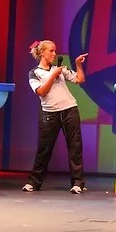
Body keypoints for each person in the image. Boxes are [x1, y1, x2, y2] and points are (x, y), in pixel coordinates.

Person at [22, 40, 89, 194]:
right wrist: (53, 76)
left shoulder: (60, 69)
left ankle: (77, 183)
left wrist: (78, 64)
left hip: (69, 110)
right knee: (44, 149)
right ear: (42, 52)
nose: (54, 54)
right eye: (51, 51)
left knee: (75, 147)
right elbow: (41, 92)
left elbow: (80, 79)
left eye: (55, 51)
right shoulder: (34, 73)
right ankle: (34, 182)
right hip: (49, 113)